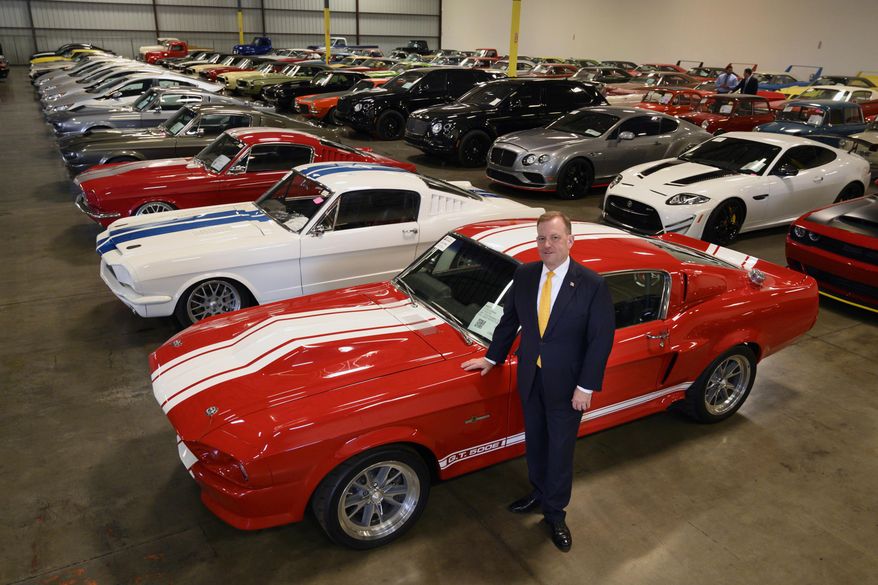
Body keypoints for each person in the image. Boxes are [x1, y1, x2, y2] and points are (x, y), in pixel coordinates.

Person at [461, 211, 615, 553]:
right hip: (532, 376)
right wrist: (492, 357)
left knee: (560, 450)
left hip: (568, 385)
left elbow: (600, 340)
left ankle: (555, 512)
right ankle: (538, 491)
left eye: (555, 238)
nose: (547, 245)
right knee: (537, 441)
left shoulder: (592, 285)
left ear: (571, 241)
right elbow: (510, 319)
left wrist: (586, 387)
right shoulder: (526, 274)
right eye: (541, 238)